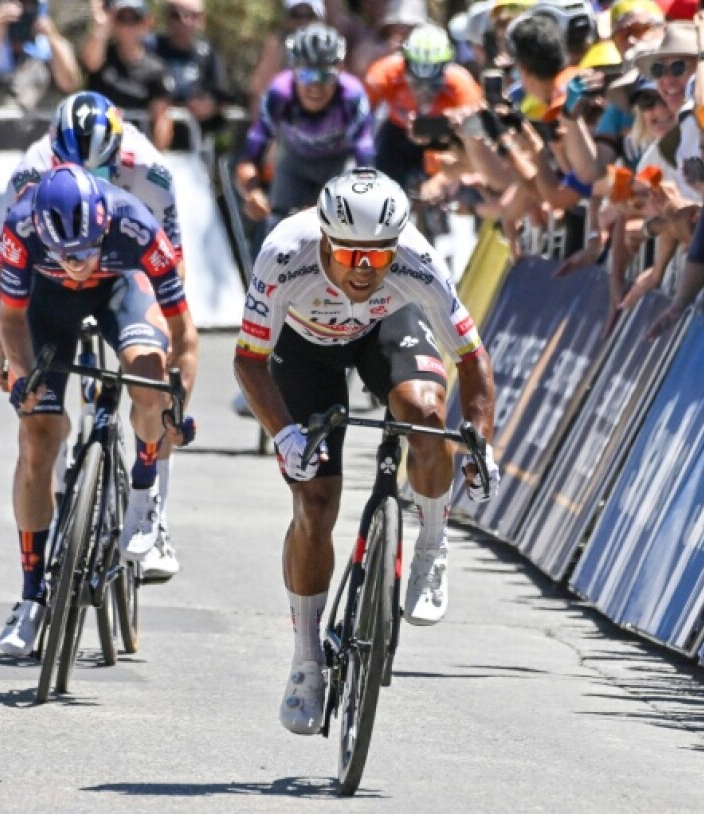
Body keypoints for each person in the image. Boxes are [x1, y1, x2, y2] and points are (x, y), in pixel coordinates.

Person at [233, 167, 500, 735]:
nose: (362, 270)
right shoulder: (284, 253)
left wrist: (481, 441)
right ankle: (306, 660)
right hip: (304, 350)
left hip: (386, 330)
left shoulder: (417, 260)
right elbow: (249, 360)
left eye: (377, 258)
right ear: (324, 240)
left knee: (428, 415)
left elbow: (472, 359)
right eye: (350, 255)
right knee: (314, 504)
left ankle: (431, 541)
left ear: (395, 248)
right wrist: (284, 434)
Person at [0, 91, 196, 586]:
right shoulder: (32, 172)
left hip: (125, 270)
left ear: (117, 158)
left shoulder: (150, 171)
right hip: (51, 281)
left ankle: (153, 508)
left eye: (96, 173)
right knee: (39, 424)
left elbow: (173, 276)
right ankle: (55, 513)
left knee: (156, 379)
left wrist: (163, 376)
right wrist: (5, 359)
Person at [0, 165, 198, 657]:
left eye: (86, 250)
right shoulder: (20, 225)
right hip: (46, 308)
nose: (77, 263)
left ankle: (144, 490)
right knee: (37, 436)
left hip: (121, 292)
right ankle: (31, 595)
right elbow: (11, 317)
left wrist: (176, 408)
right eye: (65, 255)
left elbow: (186, 335)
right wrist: (22, 376)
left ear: (104, 223)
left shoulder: (135, 225)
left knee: (150, 383)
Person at [234, 23, 373, 248]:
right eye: (306, 74)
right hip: (293, 165)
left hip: (337, 168)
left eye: (325, 75)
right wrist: (252, 193)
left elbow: (367, 166)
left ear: (340, 70)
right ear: (293, 71)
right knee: (277, 240)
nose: (315, 86)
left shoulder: (352, 96)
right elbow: (248, 159)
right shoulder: (279, 94)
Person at [365, 23, 482, 191]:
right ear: (404, 67)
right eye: (416, 83)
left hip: (442, 139)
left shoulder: (461, 83)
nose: (424, 92)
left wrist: (444, 177)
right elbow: (360, 113)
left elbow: (478, 134)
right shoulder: (385, 72)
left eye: (433, 85)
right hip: (397, 134)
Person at [0, 0, 80, 147]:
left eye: (30, 5)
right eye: (18, 4)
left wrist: (52, 36)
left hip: (39, 149)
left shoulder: (52, 45)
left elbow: (70, 83)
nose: (23, 11)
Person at [81, 0, 176, 150]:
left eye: (135, 20)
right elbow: (90, 63)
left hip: (134, 149)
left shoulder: (156, 69)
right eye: (122, 19)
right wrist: (104, 26)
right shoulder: (103, 56)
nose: (127, 26)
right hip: (97, 146)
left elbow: (162, 119)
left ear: (147, 23)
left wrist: (155, 157)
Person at [153, 0, 231, 137]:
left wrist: (209, 106)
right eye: (176, 15)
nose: (184, 22)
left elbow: (221, 96)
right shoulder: (151, 48)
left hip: (194, 142)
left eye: (193, 16)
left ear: (203, 19)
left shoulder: (208, 55)